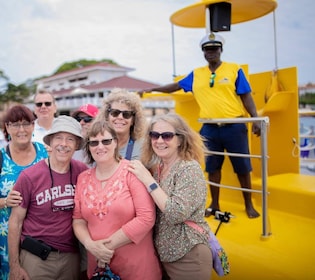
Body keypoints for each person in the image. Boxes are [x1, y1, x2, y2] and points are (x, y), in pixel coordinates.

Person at [138, 33, 261, 219]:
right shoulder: (197, 74)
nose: (211, 52)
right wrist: (153, 89)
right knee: (212, 167)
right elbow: (176, 86)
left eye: (214, 49)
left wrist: (255, 119)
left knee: (243, 167)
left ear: (221, 50)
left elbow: (246, 96)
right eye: (207, 49)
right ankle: (215, 203)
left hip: (234, 125)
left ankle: (249, 204)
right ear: (203, 52)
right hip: (210, 128)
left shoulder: (234, 70)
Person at [72, 120, 162, 280]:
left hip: (136, 268)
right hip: (99, 269)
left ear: (115, 143)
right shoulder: (82, 178)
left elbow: (147, 218)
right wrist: (90, 245)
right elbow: (78, 220)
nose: (100, 147)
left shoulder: (132, 171)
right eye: (94, 143)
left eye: (106, 141)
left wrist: (105, 248)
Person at [128, 113, 212, 280]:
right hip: (165, 257)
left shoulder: (188, 169)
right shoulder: (159, 168)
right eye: (154, 135)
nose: (159, 141)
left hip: (188, 256)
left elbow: (175, 213)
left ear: (180, 140)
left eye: (167, 136)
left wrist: (147, 179)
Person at [8, 115, 87, 280]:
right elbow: (15, 222)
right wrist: (14, 266)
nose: (63, 144)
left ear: (77, 145)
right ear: (50, 142)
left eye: (70, 139)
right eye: (58, 138)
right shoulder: (29, 176)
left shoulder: (82, 172)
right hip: (36, 259)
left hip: (70, 257)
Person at [0, 105, 48, 280]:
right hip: (5, 239)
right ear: (7, 128)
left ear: (33, 126)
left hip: (40, 236)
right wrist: (5, 201)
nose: (21, 130)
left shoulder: (45, 153)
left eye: (26, 123)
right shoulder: (0, 158)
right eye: (15, 124)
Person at [96, 88, 146, 160]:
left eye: (126, 114)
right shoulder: (96, 145)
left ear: (133, 120)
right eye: (115, 113)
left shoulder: (144, 147)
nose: (120, 117)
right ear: (107, 116)